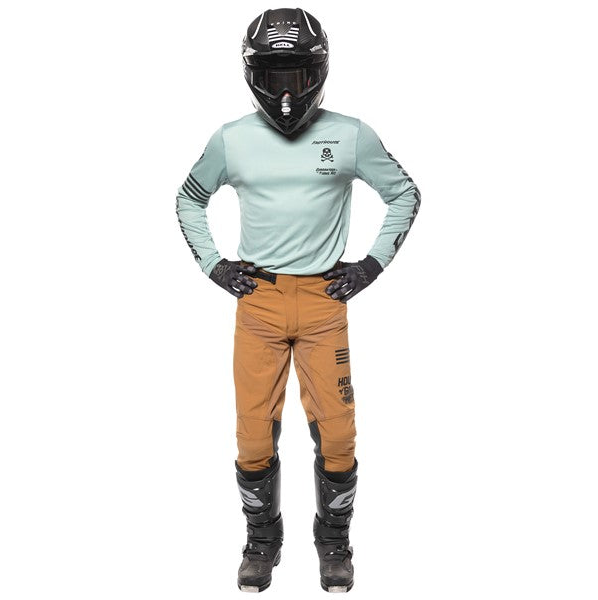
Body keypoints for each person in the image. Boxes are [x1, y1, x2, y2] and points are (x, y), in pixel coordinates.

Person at [176, 7, 421, 593]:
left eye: (297, 75)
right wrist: (213, 264)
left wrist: (372, 265)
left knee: (337, 432)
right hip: (257, 301)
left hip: (322, 302)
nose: (286, 94)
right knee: (252, 433)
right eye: (272, 76)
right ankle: (262, 542)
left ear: (320, 71)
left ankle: (333, 544)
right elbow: (188, 199)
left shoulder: (351, 135)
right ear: (251, 75)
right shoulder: (232, 139)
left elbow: (405, 194)